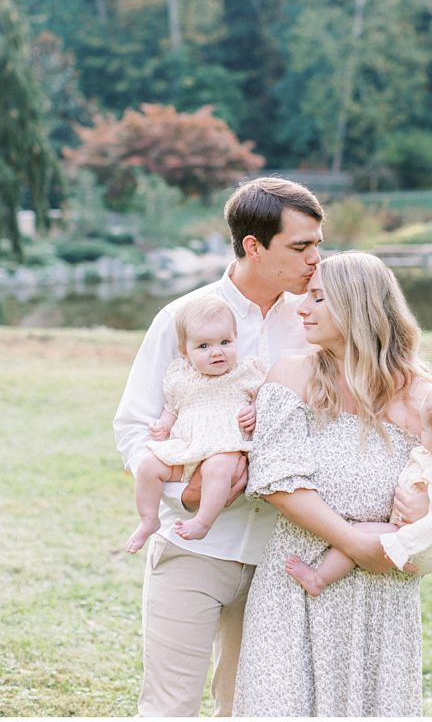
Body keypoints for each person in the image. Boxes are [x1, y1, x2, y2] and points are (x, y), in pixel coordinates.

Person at [113, 177, 325, 717]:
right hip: (194, 547)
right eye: (301, 246)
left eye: (319, 243)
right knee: (168, 706)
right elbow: (135, 426)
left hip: (282, 554)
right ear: (254, 246)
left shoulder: (316, 318)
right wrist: (185, 494)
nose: (315, 259)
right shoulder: (183, 319)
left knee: (249, 707)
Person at [233, 250, 432, 717]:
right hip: (294, 584)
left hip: (381, 596)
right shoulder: (292, 375)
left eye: (317, 298)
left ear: (357, 306)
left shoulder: (423, 397)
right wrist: (358, 544)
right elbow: (277, 480)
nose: (301, 308)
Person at [284, 379, 432, 596]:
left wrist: (400, 545)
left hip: (420, 544)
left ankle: (318, 579)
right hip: (415, 536)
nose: (420, 432)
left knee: (358, 535)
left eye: (424, 429)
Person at [125, 294, 265, 554]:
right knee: (147, 465)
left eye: (225, 342)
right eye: (204, 346)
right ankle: (148, 519)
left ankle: (203, 521)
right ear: (184, 351)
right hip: (186, 449)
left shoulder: (245, 374)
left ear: (236, 339)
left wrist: (255, 409)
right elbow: (172, 409)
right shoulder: (181, 378)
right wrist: (163, 426)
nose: (217, 352)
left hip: (223, 446)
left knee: (219, 467)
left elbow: (267, 398)